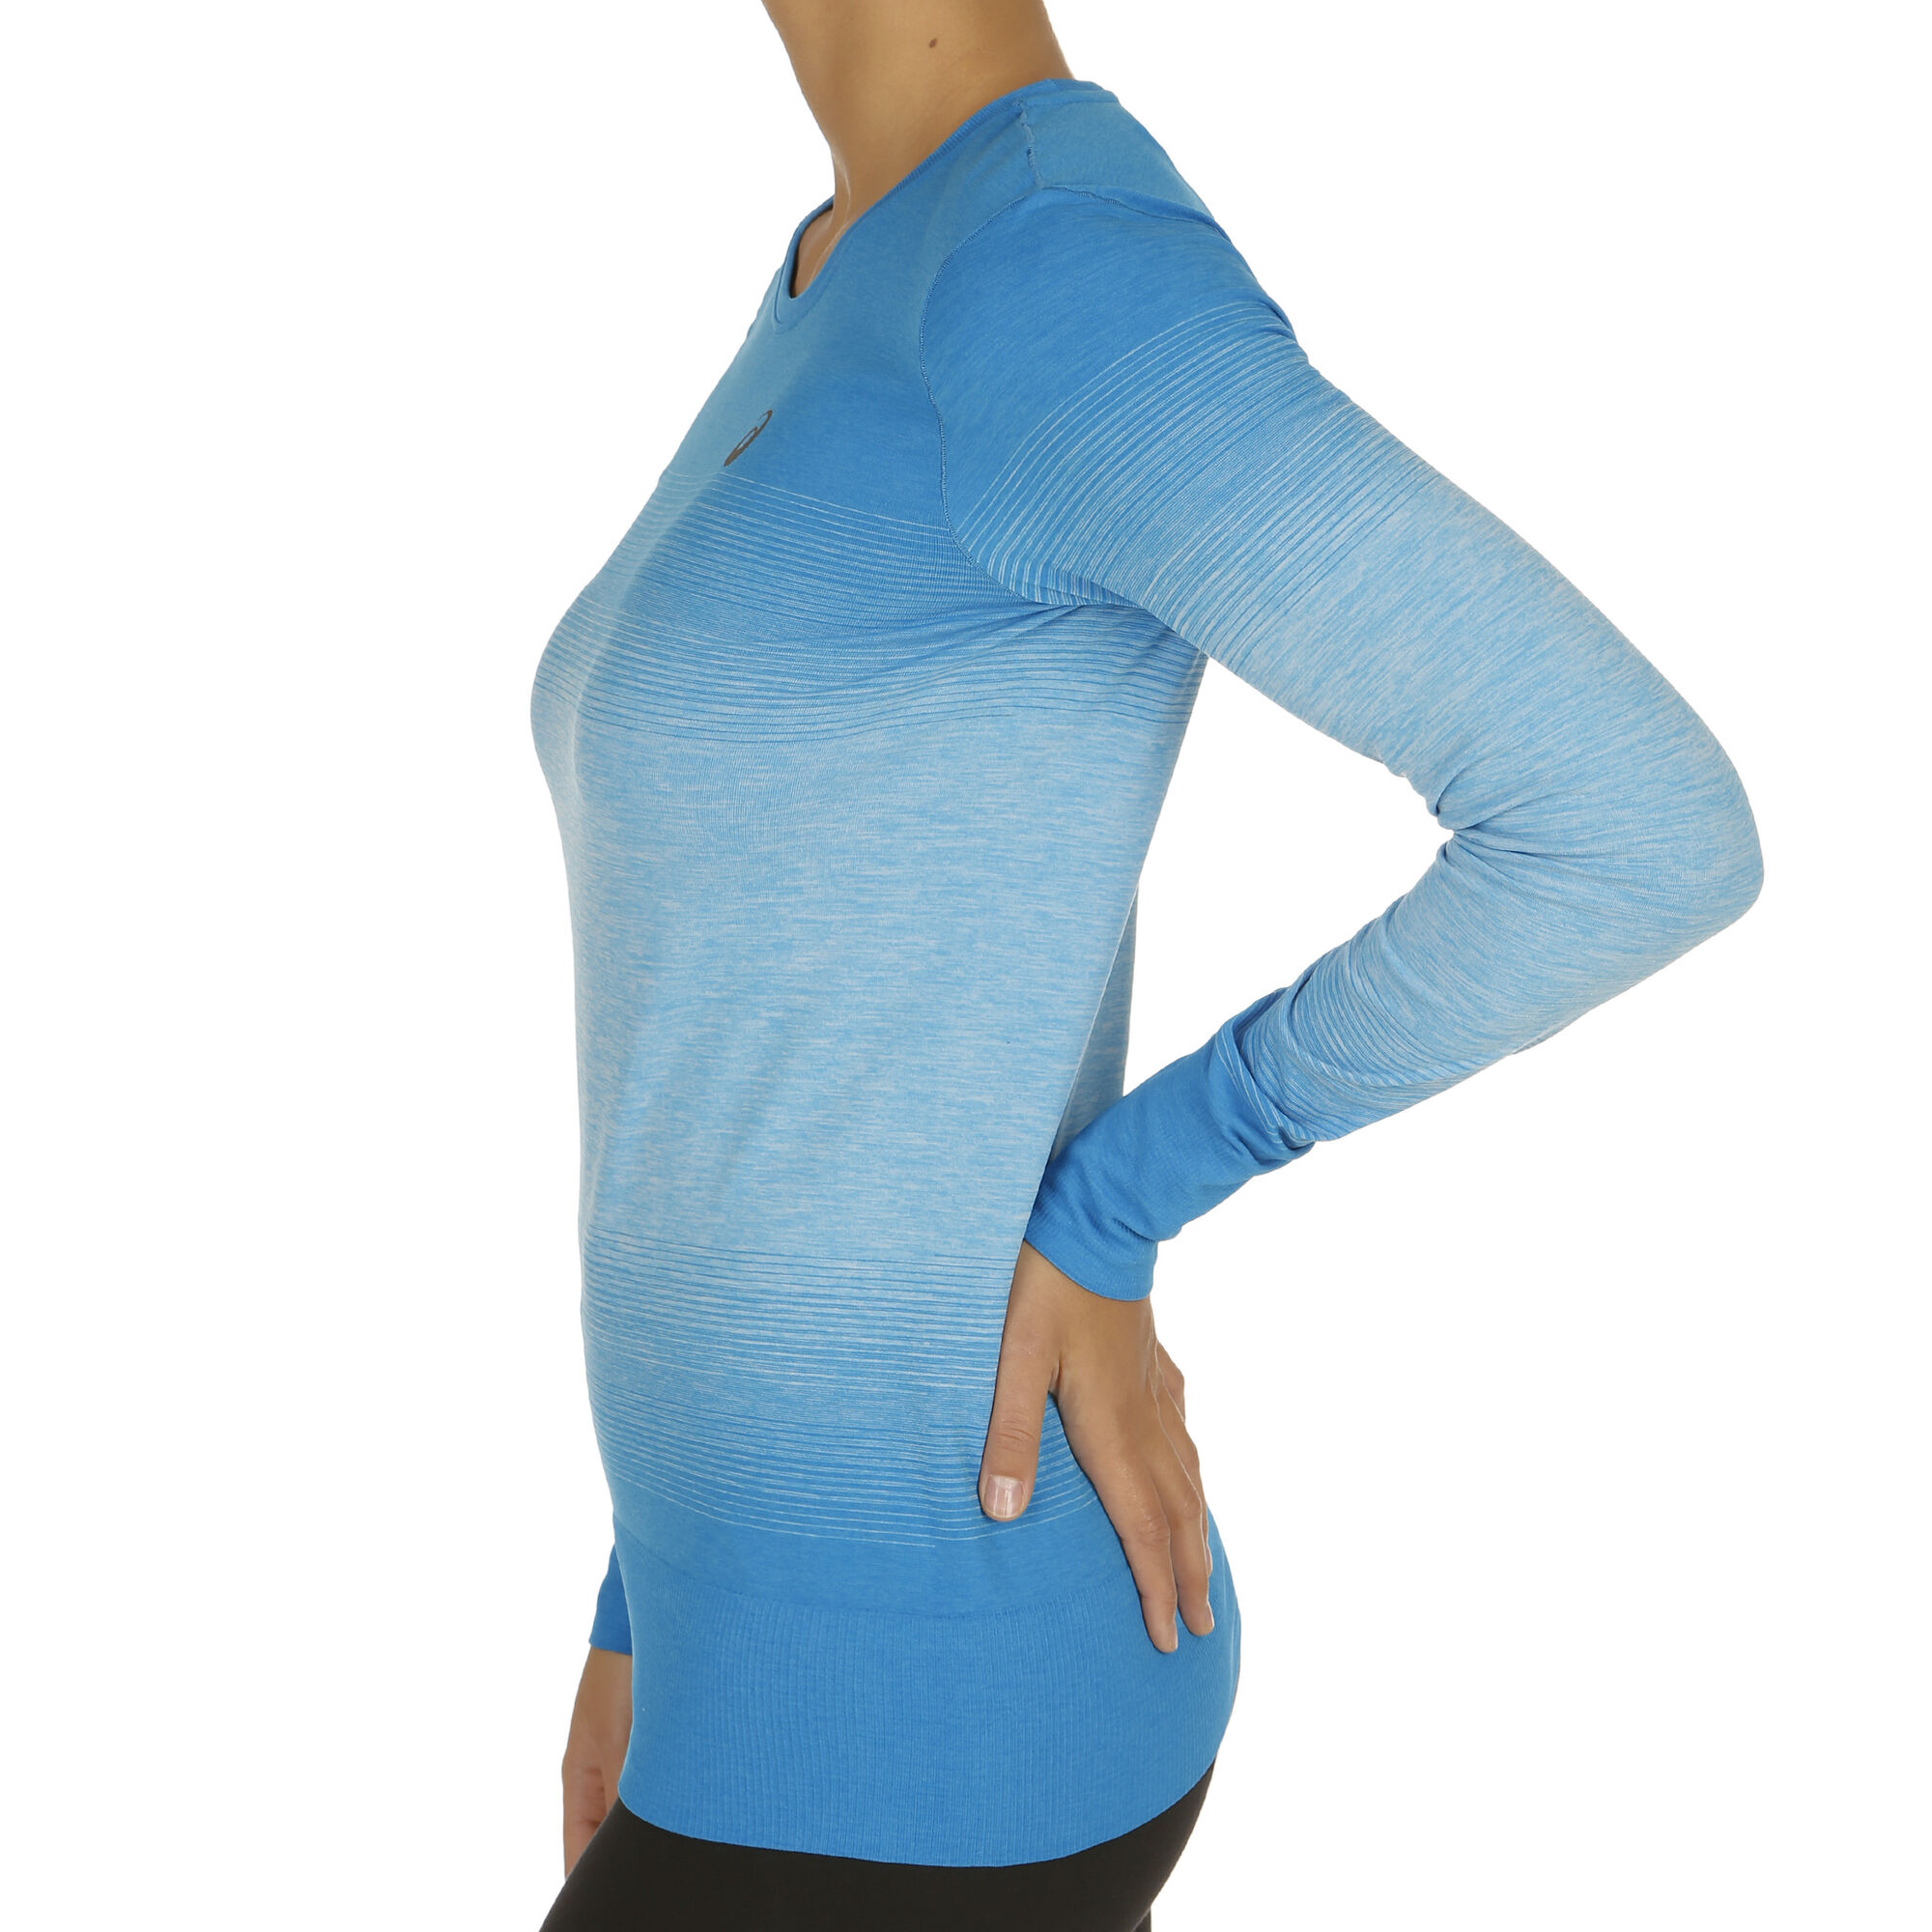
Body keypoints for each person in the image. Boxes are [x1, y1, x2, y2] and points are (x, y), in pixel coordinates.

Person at [527, 4, 1764, 1925]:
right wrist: (644, 1599)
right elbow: (744, 1027)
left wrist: (1116, 1210)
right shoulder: (853, 258)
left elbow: (1632, 825)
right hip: (754, 1661)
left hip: (940, 1707)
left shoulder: (1048, 265)